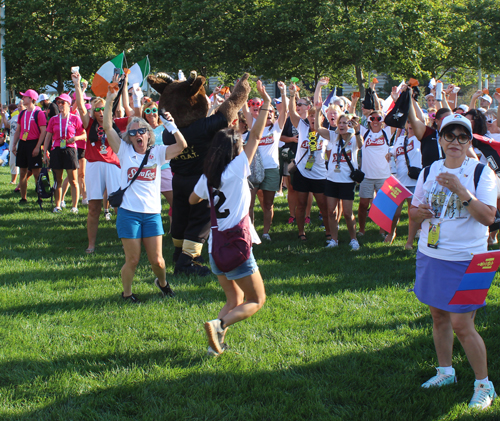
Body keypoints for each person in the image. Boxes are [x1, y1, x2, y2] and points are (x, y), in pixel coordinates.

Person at [409, 114, 497, 410]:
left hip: (468, 260)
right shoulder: (428, 171)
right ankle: (445, 372)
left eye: (462, 136)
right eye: (450, 135)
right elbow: (414, 209)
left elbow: (488, 218)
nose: (455, 141)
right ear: (441, 139)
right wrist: (418, 213)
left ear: (470, 141)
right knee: (438, 317)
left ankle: (484, 384)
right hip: (432, 255)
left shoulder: (481, 173)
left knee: (462, 324)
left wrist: (461, 190)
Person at [190, 80, 269, 356]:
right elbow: (256, 137)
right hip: (236, 245)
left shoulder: (208, 177)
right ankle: (219, 323)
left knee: (234, 297)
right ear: (235, 149)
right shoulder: (237, 169)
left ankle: (215, 346)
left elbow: (192, 199)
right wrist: (266, 104)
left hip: (215, 247)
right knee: (256, 300)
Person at [103, 87, 187, 303]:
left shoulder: (157, 152)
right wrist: (111, 99)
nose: (138, 134)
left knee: (158, 261)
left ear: (149, 134)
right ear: (128, 137)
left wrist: (170, 125)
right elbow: (107, 126)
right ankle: (127, 293)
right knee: (132, 259)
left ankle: (162, 283)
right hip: (129, 213)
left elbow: (182, 145)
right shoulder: (124, 151)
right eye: (133, 132)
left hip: (151, 214)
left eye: (142, 131)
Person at [72, 71, 127, 253]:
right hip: (94, 165)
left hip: (113, 165)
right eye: (97, 110)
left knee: (119, 206)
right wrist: (78, 84)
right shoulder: (89, 125)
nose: (101, 112)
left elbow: (118, 103)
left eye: (103, 109)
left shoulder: (114, 122)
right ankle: (91, 245)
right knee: (94, 207)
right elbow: (80, 106)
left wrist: (115, 84)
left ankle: (126, 243)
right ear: (93, 112)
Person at [287, 85, 330, 243]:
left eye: (315, 116)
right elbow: (292, 113)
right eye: (310, 116)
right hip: (302, 173)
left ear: (321, 119)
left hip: (319, 175)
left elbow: (331, 155)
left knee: (323, 206)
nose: (312, 119)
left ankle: (328, 233)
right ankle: (301, 232)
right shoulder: (303, 128)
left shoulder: (326, 134)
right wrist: (292, 96)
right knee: (301, 204)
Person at [315, 109, 360, 250]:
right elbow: (317, 128)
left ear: (350, 125)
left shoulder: (353, 138)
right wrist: (317, 111)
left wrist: (357, 130)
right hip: (332, 179)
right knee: (330, 211)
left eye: (345, 123)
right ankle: (334, 240)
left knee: (347, 213)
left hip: (347, 181)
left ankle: (354, 240)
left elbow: (361, 145)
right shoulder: (333, 136)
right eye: (340, 122)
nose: (341, 125)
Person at [248, 81, 287, 241]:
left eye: (272, 112)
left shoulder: (277, 128)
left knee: (268, 204)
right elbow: (245, 110)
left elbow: (284, 110)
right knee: (249, 204)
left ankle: (265, 233)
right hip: (253, 169)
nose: (270, 114)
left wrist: (283, 93)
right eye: (267, 111)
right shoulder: (254, 126)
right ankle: (249, 232)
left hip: (271, 169)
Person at [43, 93, 86, 213]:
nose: (60, 105)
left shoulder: (74, 118)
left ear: (69, 104)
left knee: (73, 180)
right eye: (58, 103)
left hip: (70, 150)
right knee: (58, 179)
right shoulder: (53, 119)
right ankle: (57, 205)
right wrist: (45, 152)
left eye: (62, 102)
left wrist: (75, 138)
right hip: (56, 150)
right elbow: (48, 136)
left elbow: (84, 134)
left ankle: (74, 206)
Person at [11, 89, 47, 204]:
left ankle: (40, 197)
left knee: (36, 173)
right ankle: (23, 198)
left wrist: (37, 147)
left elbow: (43, 131)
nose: (23, 99)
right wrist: (14, 145)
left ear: (31, 99)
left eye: (25, 97)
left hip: (33, 143)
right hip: (23, 143)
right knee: (22, 171)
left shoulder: (39, 113)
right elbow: (18, 130)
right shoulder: (22, 113)